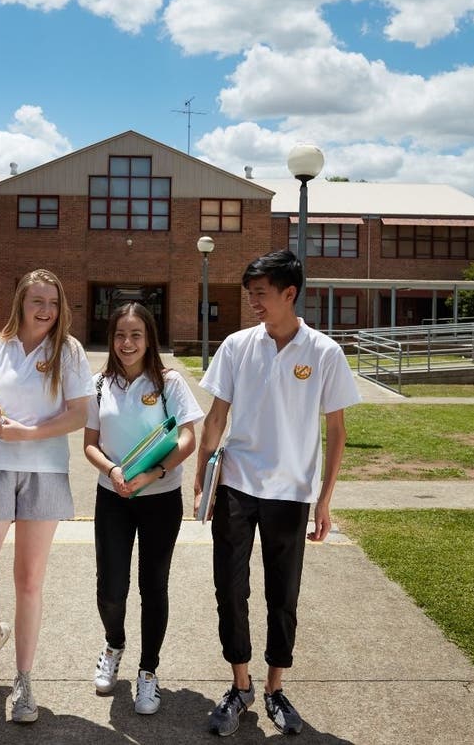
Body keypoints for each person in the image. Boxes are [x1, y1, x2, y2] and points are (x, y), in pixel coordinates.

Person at [195, 250, 361, 737]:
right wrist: (204, 472)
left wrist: (325, 499)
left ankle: (274, 688)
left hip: (291, 491)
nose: (254, 303)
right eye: (251, 295)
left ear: (289, 294)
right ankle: (240, 685)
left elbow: (337, 430)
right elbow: (217, 415)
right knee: (230, 587)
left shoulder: (324, 353)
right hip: (237, 484)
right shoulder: (237, 345)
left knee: (282, 593)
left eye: (261, 294)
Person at [0, 269, 93, 724]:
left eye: (53, 302)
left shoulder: (67, 352)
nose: (46, 310)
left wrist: (27, 433)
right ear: (21, 302)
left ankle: (24, 680)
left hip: (44, 472)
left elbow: (78, 415)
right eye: (37, 301)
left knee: (29, 580)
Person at [84, 302, 203, 715]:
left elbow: (188, 437)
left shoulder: (169, 381)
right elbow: (89, 444)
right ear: (111, 338)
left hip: (160, 499)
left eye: (136, 335)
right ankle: (114, 644)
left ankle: (148, 673)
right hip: (113, 497)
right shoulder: (99, 383)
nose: (127, 343)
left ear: (149, 337)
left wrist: (154, 473)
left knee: (154, 588)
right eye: (120, 335)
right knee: (111, 588)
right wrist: (114, 470)